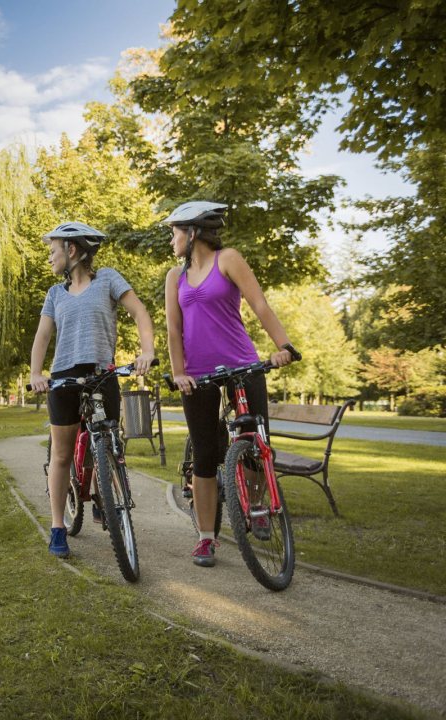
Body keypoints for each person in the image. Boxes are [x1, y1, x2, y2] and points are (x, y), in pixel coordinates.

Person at [163, 201, 296, 567]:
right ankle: (206, 537)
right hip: (198, 375)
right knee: (205, 456)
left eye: (175, 233)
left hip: (243, 364)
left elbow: (260, 305)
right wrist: (179, 372)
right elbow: (173, 330)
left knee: (255, 441)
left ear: (192, 233)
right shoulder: (174, 277)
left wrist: (283, 346)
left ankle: (257, 506)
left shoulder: (229, 259)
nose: (171, 241)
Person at [30, 222, 156, 558]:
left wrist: (146, 351)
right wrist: (36, 373)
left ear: (71, 250)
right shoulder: (55, 294)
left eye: (53, 250)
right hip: (64, 378)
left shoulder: (108, 280)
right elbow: (43, 336)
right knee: (61, 454)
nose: (50, 257)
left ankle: (106, 496)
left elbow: (140, 313)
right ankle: (58, 527)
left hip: (102, 373)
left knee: (110, 444)